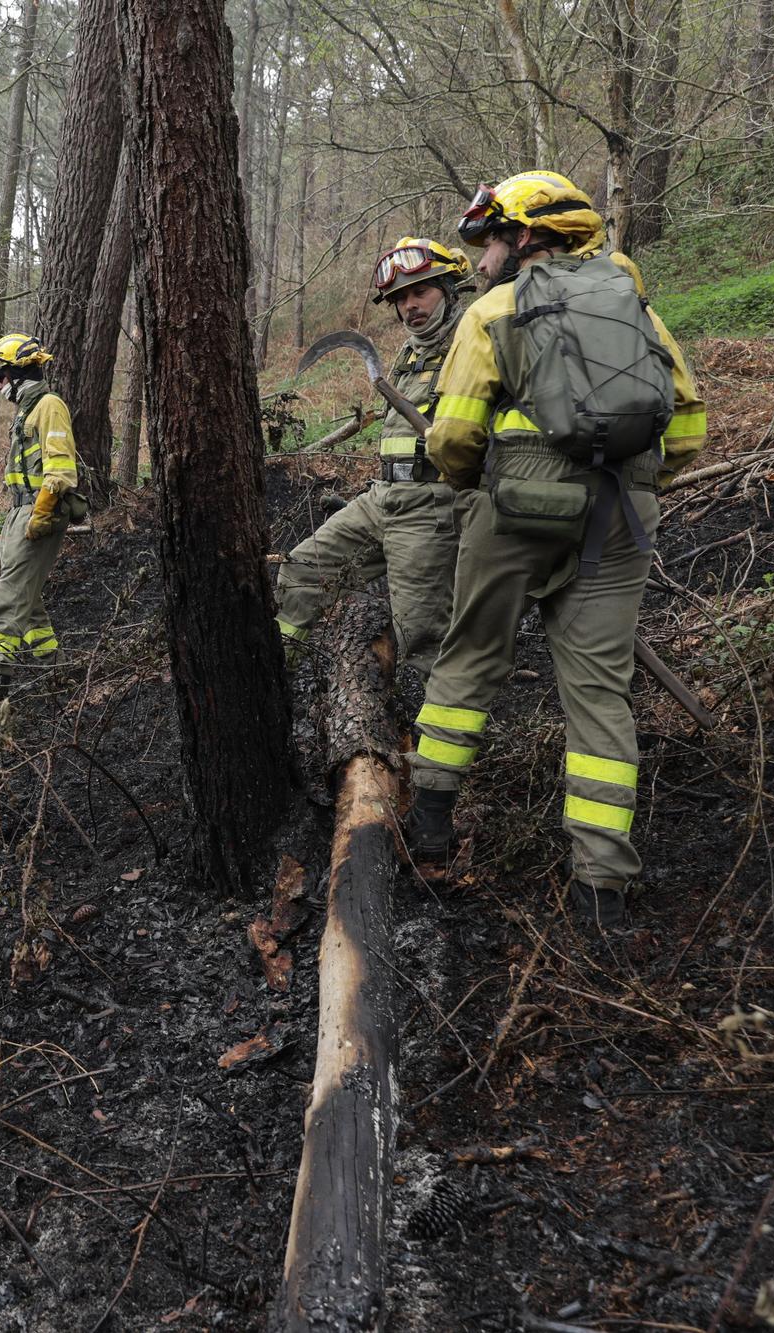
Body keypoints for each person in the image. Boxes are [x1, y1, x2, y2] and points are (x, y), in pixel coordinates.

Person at [402, 171, 708, 931]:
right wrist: (636, 482)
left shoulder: (496, 312)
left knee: (471, 655)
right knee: (601, 694)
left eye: (489, 242)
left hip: (516, 513)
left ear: (525, 239)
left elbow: (453, 438)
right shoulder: (637, 308)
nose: (478, 261)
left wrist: (484, 488)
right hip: (619, 521)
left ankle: (429, 827)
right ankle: (602, 889)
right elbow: (691, 428)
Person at [276, 237, 473, 671]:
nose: (410, 306)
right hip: (382, 497)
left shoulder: (474, 343)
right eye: (400, 298)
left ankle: (442, 729)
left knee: (421, 633)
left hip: (433, 506)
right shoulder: (409, 351)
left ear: (450, 288)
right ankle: (275, 678)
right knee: (301, 572)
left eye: (420, 291)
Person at [0, 333, 82, 697]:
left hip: (38, 510)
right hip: (19, 511)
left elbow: (61, 469)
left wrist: (43, 512)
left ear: (20, 373)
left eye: (1, 376)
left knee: (11, 589)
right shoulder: (27, 410)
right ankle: (54, 668)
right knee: (28, 596)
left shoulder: (49, 405)